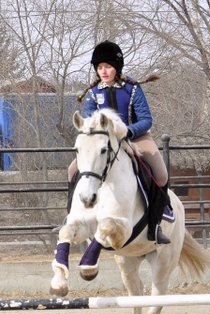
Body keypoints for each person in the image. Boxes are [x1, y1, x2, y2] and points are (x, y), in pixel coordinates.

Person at [69, 40, 171, 245]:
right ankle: (71, 220)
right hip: (104, 143)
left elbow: (146, 119)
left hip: (135, 138)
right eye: (99, 67)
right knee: (71, 170)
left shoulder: (132, 89)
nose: (103, 71)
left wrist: (129, 131)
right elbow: (88, 120)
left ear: (117, 67)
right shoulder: (93, 92)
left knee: (161, 175)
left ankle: (155, 224)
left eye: (107, 66)